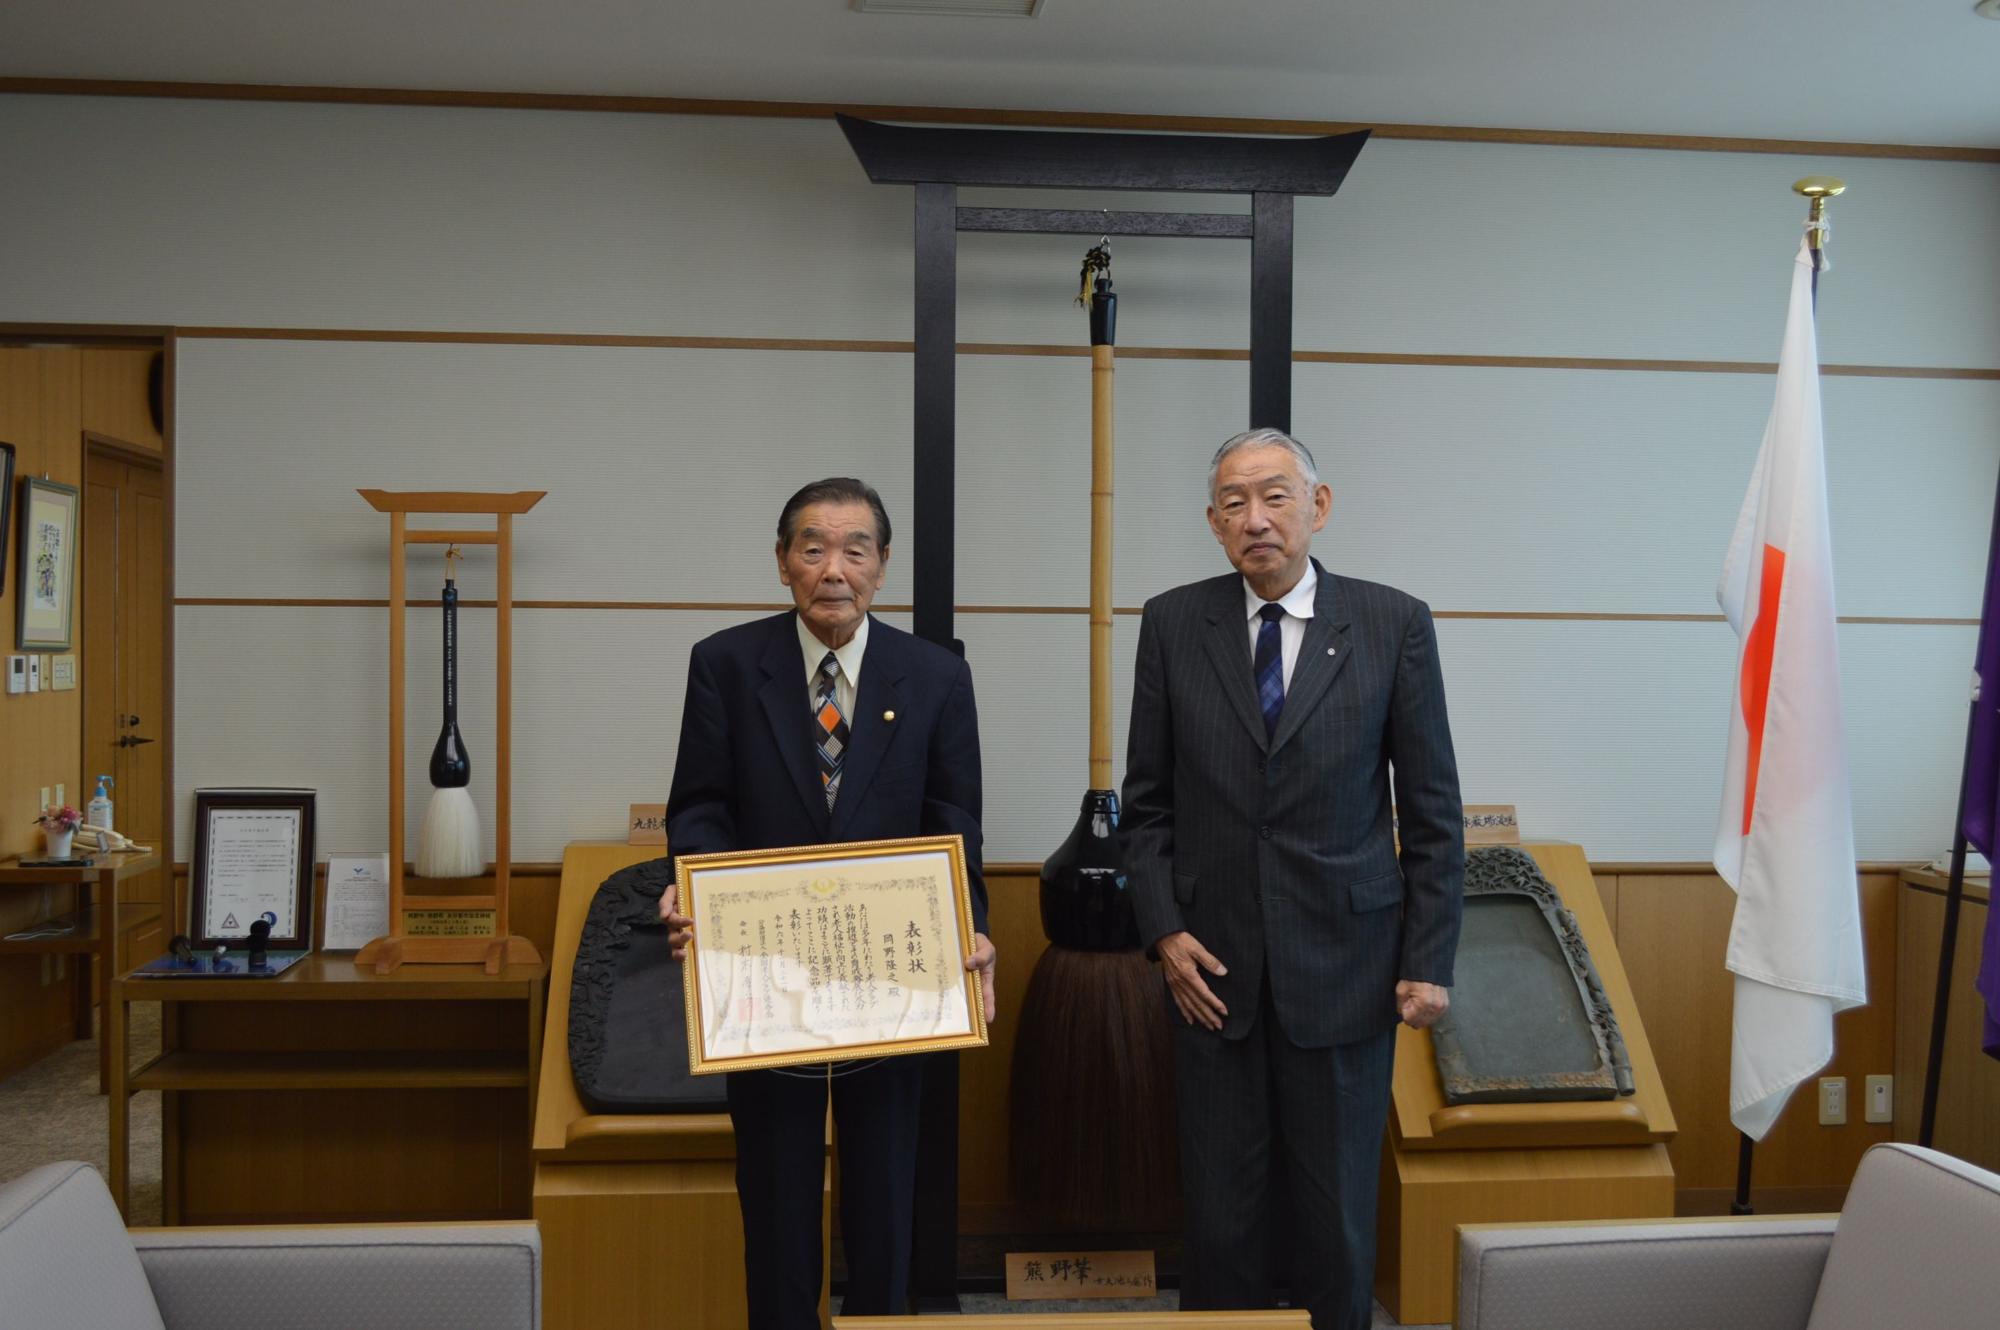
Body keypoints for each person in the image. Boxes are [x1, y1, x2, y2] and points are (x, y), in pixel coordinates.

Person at [1121, 427, 1464, 1330]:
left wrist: (1428, 960)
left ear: (1319, 506)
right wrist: (1163, 933)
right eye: (1233, 503)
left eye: (1275, 496)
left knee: (1337, 1222)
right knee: (1220, 1222)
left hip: (1347, 967)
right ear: (1212, 523)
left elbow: (1431, 808)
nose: (1256, 519)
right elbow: (1146, 805)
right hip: (1211, 972)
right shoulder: (1173, 623)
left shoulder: (1392, 623)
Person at [659, 476, 998, 1329]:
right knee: (776, 1195)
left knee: (884, 1194)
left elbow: (955, 824)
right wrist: (696, 887)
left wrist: (972, 931)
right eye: (812, 549)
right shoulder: (726, 663)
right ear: (783, 563)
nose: (833, 569)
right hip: (763, 974)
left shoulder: (936, 675)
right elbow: (700, 807)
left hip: (892, 973)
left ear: (883, 565)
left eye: (855, 549)